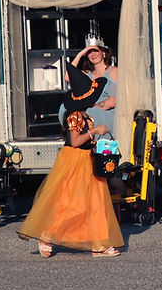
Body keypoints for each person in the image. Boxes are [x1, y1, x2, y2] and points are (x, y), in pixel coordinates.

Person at [19, 63, 125, 257]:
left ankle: (98, 243)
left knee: (95, 202)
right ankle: (47, 235)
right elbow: (75, 141)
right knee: (72, 202)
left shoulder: (83, 115)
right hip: (76, 161)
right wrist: (95, 130)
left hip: (86, 158)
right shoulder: (75, 116)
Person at [58, 42, 118, 133]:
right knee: (64, 108)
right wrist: (81, 54)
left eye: (96, 50)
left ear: (103, 52)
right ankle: (73, 138)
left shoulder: (113, 71)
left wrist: (90, 109)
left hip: (105, 113)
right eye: (89, 52)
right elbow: (67, 76)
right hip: (87, 112)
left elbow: (112, 102)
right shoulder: (86, 74)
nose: (92, 54)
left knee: (86, 114)